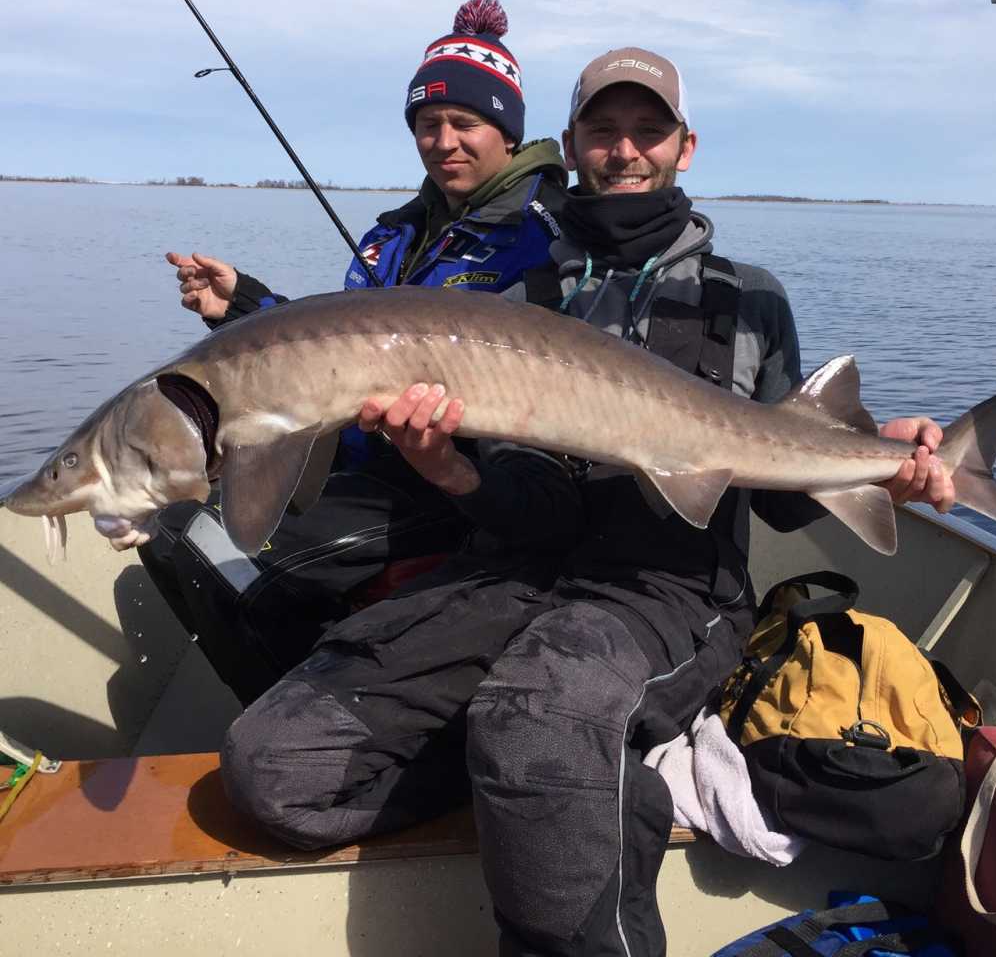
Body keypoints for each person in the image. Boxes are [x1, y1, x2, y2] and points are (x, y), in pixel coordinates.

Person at [220, 47, 953, 956]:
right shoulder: (522, 294)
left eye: (648, 131)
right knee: (273, 767)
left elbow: (787, 500)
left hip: (670, 588)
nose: (625, 150)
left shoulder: (748, 299)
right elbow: (527, 504)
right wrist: (450, 469)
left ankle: (557, 777)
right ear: (569, 146)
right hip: (512, 571)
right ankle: (581, 782)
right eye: (603, 132)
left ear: (686, 147)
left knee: (534, 720)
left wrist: (881, 459)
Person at [137, 0, 568, 705]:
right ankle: (311, 700)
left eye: (466, 122)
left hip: (459, 486)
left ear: (507, 131)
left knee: (223, 555)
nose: (445, 141)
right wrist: (243, 303)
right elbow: (339, 354)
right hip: (366, 467)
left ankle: (319, 717)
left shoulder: (542, 239)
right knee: (176, 525)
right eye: (428, 124)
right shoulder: (392, 235)